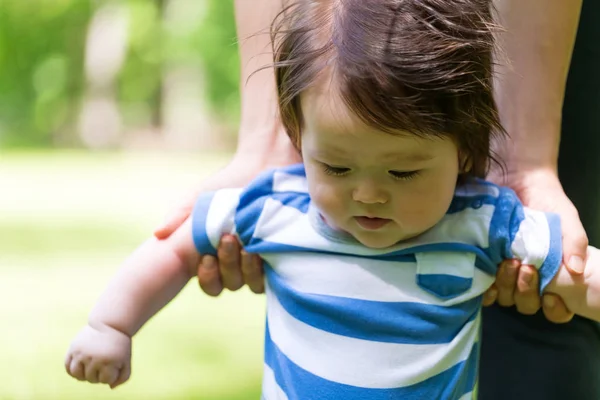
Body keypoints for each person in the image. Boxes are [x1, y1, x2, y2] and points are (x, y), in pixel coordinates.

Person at [65, 1, 600, 398]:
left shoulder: (484, 218)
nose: (368, 193)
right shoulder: (274, 204)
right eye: (336, 166)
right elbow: (174, 251)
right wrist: (110, 325)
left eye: (405, 171)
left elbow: (580, 277)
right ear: (298, 136)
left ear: (465, 151)